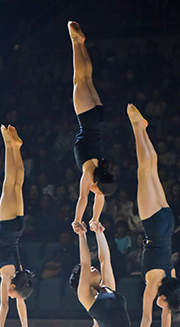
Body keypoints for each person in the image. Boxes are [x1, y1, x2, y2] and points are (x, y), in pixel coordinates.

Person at [126, 104, 180, 327]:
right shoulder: (153, 284)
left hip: (167, 222)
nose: (163, 308)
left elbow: (165, 316)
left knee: (152, 171)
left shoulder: (171, 278)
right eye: (166, 304)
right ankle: (137, 128)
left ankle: (142, 129)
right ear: (164, 297)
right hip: (153, 224)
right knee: (144, 172)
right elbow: (146, 318)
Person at [68, 21, 116, 235]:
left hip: (98, 117)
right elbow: (82, 198)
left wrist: (95, 219)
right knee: (79, 78)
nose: (97, 193)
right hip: (87, 118)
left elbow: (97, 199)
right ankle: (75, 42)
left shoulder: (102, 173)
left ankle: (81, 42)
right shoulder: (89, 172)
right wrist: (77, 221)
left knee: (87, 78)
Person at [0, 125, 34, 327]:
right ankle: (9, 146)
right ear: (13, 285)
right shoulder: (8, 275)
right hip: (7, 226)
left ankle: (16, 147)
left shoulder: (19, 272)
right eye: (13, 291)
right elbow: (4, 304)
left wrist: (24, 326)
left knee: (18, 186)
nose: (11, 294)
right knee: (9, 184)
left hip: (18, 228)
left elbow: (20, 302)